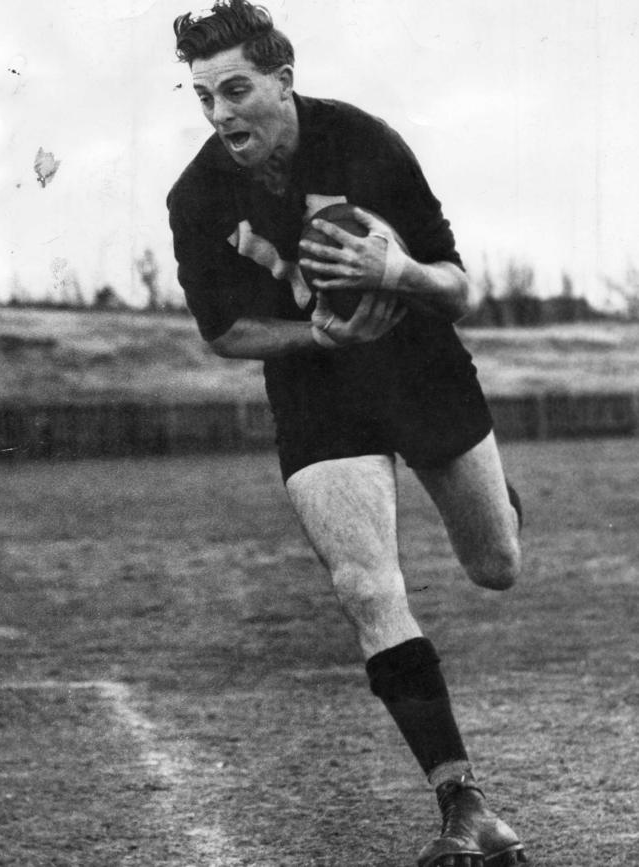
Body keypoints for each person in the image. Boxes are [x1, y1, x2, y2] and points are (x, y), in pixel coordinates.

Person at [167, 3, 528, 865]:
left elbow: (460, 288)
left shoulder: (367, 142)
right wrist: (316, 337)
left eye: (237, 90)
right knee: (369, 589)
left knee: (497, 567)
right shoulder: (195, 194)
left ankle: (501, 507)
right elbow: (222, 333)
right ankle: (463, 802)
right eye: (204, 96)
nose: (220, 114)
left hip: (420, 365)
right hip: (317, 390)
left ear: (283, 83)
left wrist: (395, 270)